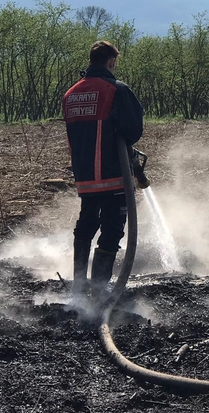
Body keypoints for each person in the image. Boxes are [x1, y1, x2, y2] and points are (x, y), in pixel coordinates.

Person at [62, 40, 144, 297]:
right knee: (111, 231)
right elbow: (133, 130)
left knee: (85, 225)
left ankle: (78, 284)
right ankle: (99, 291)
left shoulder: (71, 93)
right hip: (112, 175)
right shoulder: (115, 90)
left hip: (85, 176)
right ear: (110, 62)